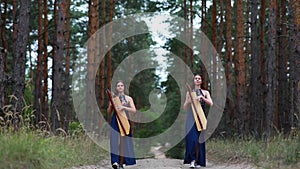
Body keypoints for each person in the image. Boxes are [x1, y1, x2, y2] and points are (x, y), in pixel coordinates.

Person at [183, 74, 213, 168]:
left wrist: (202, 98)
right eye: (196, 78)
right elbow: (184, 107)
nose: (197, 80)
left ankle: (197, 161)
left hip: (201, 118)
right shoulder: (189, 93)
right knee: (192, 140)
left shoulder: (205, 92)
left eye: (199, 78)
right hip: (191, 118)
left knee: (199, 141)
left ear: (201, 81)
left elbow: (211, 103)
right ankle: (192, 161)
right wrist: (190, 101)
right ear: (194, 81)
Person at [107, 80, 136, 169]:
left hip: (125, 120)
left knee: (124, 142)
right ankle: (115, 161)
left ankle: (121, 163)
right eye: (118, 86)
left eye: (121, 85)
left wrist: (124, 107)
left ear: (124, 87)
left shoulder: (128, 98)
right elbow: (108, 112)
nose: (120, 87)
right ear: (116, 88)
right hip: (115, 120)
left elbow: (134, 110)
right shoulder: (113, 98)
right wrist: (111, 105)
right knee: (115, 141)